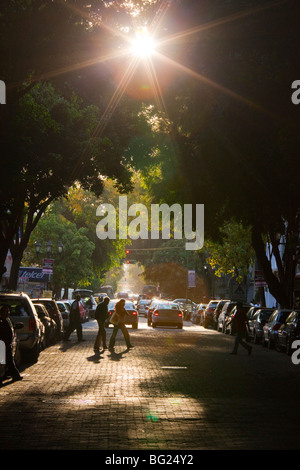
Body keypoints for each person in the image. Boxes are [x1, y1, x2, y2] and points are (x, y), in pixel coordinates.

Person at [0, 306, 23, 384]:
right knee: (8, 360)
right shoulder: (2, 321)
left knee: (7, 360)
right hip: (4, 344)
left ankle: (6, 375)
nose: (8, 313)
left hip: (7, 343)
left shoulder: (6, 320)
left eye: (8, 311)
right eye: (6, 312)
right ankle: (15, 375)